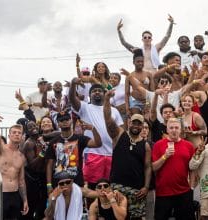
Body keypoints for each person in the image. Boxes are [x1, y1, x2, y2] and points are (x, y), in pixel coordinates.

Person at [103, 90, 151, 219]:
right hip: (117, 186)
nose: (136, 125)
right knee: (116, 217)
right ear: (129, 123)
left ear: (142, 126)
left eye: (139, 123)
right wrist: (106, 101)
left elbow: (147, 167)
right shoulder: (120, 135)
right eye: (134, 122)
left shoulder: (145, 145)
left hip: (136, 189)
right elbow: (108, 120)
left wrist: (146, 187)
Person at [69, 80, 123, 190]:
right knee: (92, 187)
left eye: (99, 90)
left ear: (104, 94)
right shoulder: (85, 107)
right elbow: (72, 100)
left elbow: (121, 130)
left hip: (111, 154)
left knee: (110, 186)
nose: (97, 92)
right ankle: (91, 208)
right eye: (94, 91)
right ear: (89, 95)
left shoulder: (114, 110)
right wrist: (73, 85)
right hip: (92, 153)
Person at [45, 111, 102, 190]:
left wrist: (93, 129)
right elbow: (49, 165)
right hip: (59, 184)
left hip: (77, 182)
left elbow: (98, 144)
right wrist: (49, 185)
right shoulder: (53, 142)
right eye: (61, 120)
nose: (65, 121)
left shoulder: (80, 138)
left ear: (71, 121)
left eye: (67, 119)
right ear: (58, 124)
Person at [152, 118, 195, 219]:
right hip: (163, 192)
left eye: (176, 128)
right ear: (167, 130)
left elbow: (192, 168)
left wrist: (192, 187)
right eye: (171, 128)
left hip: (184, 191)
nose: (174, 130)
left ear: (180, 130)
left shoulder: (188, 146)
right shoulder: (158, 145)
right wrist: (165, 156)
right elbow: (153, 168)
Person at [0, 113, 29, 219]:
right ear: (9, 135)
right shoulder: (0, 149)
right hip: (0, 194)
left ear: (22, 136)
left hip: (14, 195)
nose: (17, 134)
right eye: (14, 132)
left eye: (19, 133)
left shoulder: (21, 156)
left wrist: (25, 200)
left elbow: (21, 181)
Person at [21, 121, 49, 219]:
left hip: (42, 177)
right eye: (30, 127)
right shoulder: (29, 143)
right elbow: (32, 165)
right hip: (32, 179)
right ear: (27, 131)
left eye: (34, 125)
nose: (33, 127)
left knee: (42, 206)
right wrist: (43, 153)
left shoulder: (41, 139)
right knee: (32, 205)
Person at [124, 49, 154, 116]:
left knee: (147, 121)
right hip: (135, 101)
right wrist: (127, 109)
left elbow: (152, 91)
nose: (140, 63)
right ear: (133, 62)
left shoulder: (149, 74)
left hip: (147, 101)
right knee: (136, 119)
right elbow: (126, 94)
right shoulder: (129, 76)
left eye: (142, 61)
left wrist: (148, 104)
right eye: (138, 61)